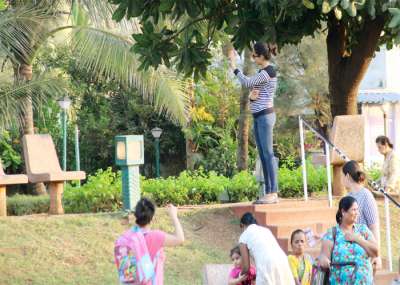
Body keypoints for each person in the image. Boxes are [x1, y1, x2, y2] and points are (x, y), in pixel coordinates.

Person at [228, 42, 279, 204]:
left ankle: (273, 192)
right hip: (259, 116)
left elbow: (248, 83)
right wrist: (251, 98)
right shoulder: (262, 72)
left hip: (265, 116)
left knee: (268, 154)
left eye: (255, 56)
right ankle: (269, 192)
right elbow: (255, 92)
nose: (253, 58)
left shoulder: (268, 72)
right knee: (263, 154)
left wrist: (234, 67)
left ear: (262, 56)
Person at [115, 198, 185, 285]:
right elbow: (180, 239)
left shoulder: (126, 238)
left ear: (136, 216)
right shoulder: (156, 237)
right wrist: (174, 216)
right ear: (152, 218)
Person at [318, 196, 378, 285]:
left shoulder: (363, 230)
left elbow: (375, 252)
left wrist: (357, 239)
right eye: (354, 210)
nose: (357, 213)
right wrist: (323, 260)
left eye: (357, 210)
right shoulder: (332, 233)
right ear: (343, 211)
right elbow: (324, 256)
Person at [342, 160, 381, 272]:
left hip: (365, 252)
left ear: (347, 176)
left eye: (342, 176)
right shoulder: (348, 197)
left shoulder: (366, 195)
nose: (341, 179)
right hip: (350, 253)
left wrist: (377, 256)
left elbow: (373, 226)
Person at [238, 212, 294, 285]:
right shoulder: (265, 230)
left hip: (267, 265)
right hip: (282, 260)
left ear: (242, 225)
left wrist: (238, 276)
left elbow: (246, 267)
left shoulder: (243, 236)